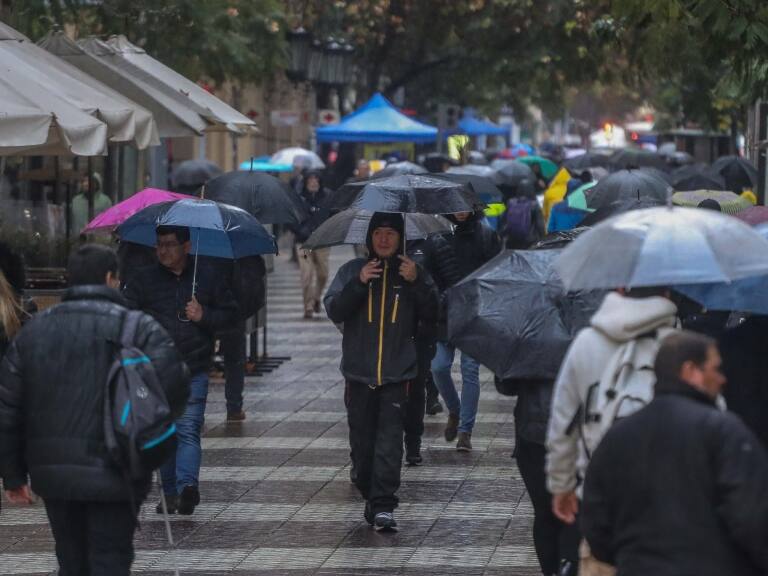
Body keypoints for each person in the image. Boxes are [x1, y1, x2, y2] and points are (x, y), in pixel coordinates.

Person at [0, 245, 188, 576]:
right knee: (110, 559)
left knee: (70, 561)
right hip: (119, 466)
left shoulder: (34, 331)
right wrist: (149, 439)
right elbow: (173, 385)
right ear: (110, 279)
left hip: (54, 474)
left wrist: (13, 474)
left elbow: (8, 407)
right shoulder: (137, 328)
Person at [582, 331, 768, 576]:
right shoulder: (726, 432)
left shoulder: (617, 436)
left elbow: (596, 520)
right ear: (690, 370)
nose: (722, 378)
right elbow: (751, 516)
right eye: (715, 368)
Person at [545, 288, 678, 572]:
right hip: (668, 502)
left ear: (620, 290)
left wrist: (562, 485)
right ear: (668, 293)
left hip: (600, 497)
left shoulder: (587, 342)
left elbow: (564, 422)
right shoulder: (682, 347)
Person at [324, 212, 438, 531]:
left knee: (389, 442)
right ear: (369, 238)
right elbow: (335, 308)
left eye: (390, 233)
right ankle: (369, 492)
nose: (384, 239)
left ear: (401, 238)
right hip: (358, 375)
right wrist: (359, 283)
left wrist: (419, 282)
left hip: (397, 374)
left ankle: (384, 504)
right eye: (378, 234)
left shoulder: (412, 273)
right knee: (362, 449)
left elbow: (434, 312)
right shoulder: (351, 271)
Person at [123, 226, 237, 515]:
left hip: (193, 366)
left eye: (170, 245)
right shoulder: (144, 280)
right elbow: (127, 315)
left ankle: (187, 488)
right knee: (164, 431)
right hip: (154, 369)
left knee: (187, 428)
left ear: (186, 247)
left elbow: (231, 315)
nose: (163, 251)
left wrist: (204, 316)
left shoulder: (207, 276)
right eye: (159, 244)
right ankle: (170, 492)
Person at [431, 210, 500, 451]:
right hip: (444, 313)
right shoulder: (439, 234)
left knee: (470, 371)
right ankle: (455, 410)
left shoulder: (486, 235)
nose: (460, 212)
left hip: (473, 313)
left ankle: (465, 431)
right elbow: (431, 273)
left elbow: (495, 272)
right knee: (438, 367)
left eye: (465, 207)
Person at [291, 170, 332, 319]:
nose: (313, 182)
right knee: (307, 274)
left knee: (323, 274)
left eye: (316, 180)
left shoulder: (327, 197)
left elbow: (334, 215)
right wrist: (300, 231)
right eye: (311, 180)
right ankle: (308, 306)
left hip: (322, 241)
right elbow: (290, 219)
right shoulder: (298, 199)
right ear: (306, 182)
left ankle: (316, 298)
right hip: (304, 243)